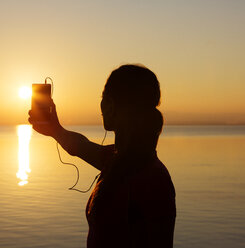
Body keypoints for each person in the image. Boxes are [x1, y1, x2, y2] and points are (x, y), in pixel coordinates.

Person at [28, 64, 176, 248]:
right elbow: (80, 146)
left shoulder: (150, 178)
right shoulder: (121, 160)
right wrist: (55, 130)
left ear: (110, 105)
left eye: (102, 98)